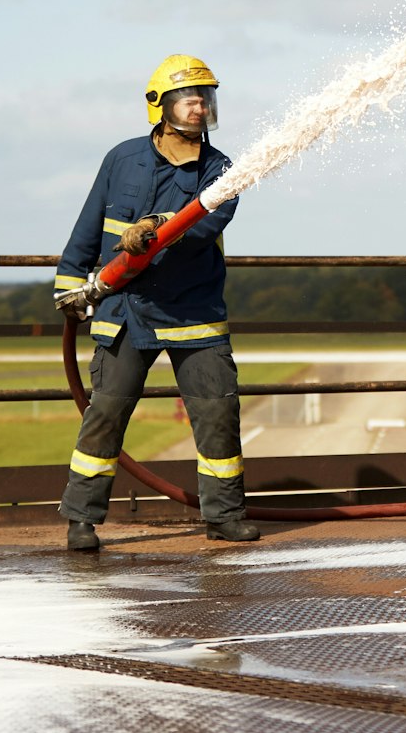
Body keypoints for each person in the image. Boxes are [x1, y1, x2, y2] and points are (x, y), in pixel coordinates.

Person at [52, 54, 259, 551]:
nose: (199, 106)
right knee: (105, 414)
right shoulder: (121, 159)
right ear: (158, 105)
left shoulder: (223, 170)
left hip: (194, 313)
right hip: (126, 311)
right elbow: (88, 226)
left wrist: (159, 225)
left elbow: (203, 226)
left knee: (217, 415)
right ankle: (81, 520)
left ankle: (225, 516)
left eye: (205, 98)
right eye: (188, 98)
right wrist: (69, 284)